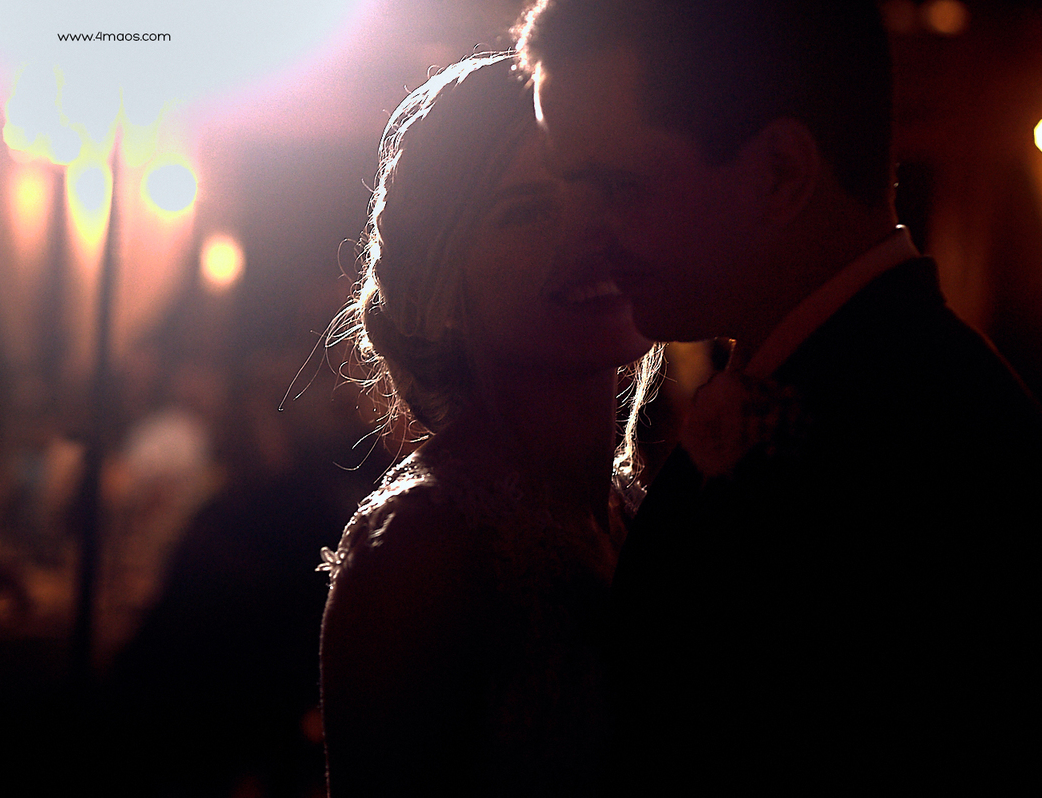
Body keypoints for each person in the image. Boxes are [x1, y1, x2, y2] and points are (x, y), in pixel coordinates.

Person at [517, 0, 1042, 791]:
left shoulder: (917, 450)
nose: (577, 237)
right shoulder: (878, 384)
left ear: (781, 173)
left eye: (617, 186)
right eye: (570, 188)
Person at [317, 52, 658, 797]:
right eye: (528, 210)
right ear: (441, 280)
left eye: (601, 192)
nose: (587, 236)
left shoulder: (633, 512)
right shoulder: (418, 551)